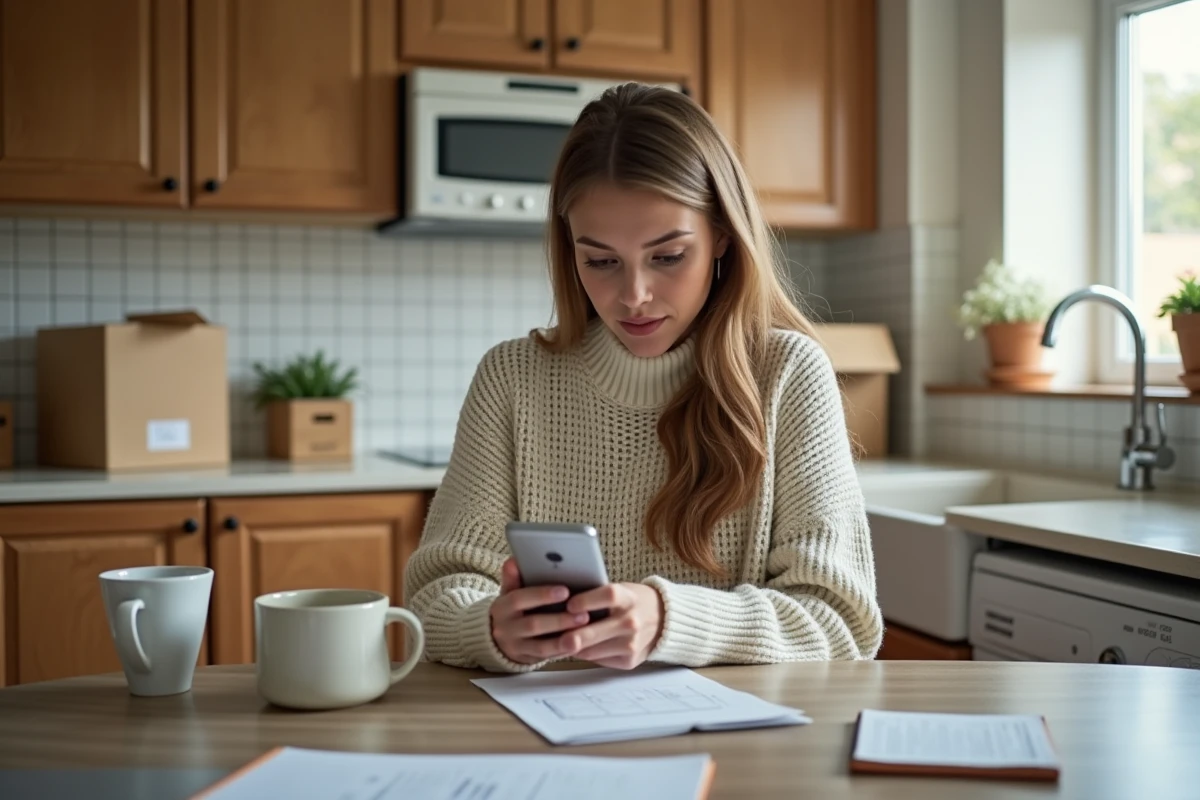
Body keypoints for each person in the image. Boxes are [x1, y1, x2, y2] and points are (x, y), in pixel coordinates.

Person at [403, 82, 883, 673]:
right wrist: (492, 630)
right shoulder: (512, 379)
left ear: (722, 236)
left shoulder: (788, 375)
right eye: (601, 261)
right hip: (545, 722)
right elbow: (434, 598)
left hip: (736, 727)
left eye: (668, 256)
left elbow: (840, 622)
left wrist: (669, 619)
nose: (633, 295)